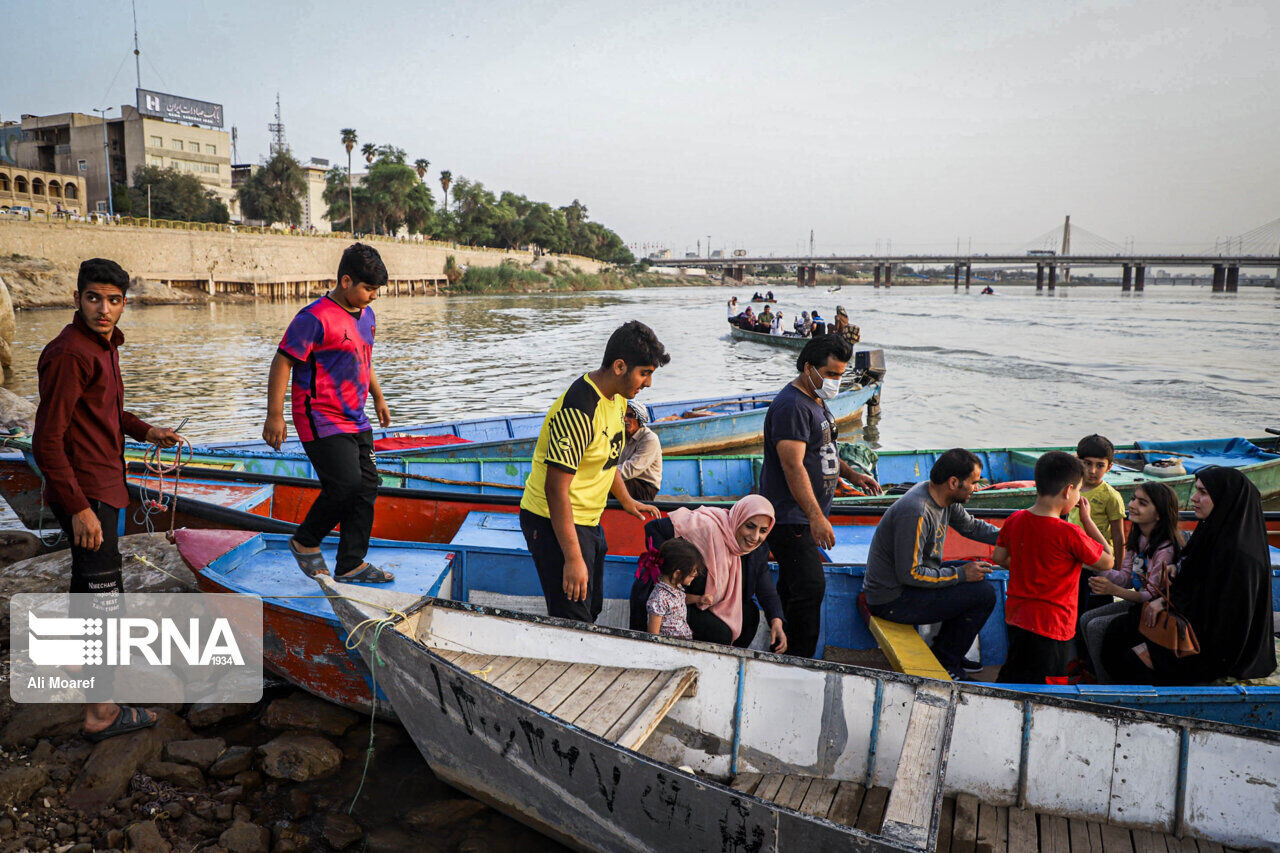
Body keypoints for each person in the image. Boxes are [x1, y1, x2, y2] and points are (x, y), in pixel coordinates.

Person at [33, 257, 182, 741]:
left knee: (87, 582)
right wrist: (78, 507)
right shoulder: (71, 353)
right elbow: (46, 441)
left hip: (102, 485)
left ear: (123, 304)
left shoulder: (102, 346)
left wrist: (146, 430)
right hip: (88, 491)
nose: (104, 309)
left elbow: (106, 411)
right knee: (103, 596)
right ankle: (101, 711)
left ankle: (82, 669)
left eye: (114, 300)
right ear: (77, 298)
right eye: (94, 298)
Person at [520, 321, 666, 623]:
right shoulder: (579, 409)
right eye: (644, 373)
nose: (648, 383)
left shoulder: (618, 400)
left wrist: (626, 500)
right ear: (619, 366)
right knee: (573, 618)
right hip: (553, 521)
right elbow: (555, 490)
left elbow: (608, 459)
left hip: (588, 520)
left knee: (592, 606)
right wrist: (572, 557)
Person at [264, 243, 394, 583]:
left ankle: (351, 564)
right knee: (345, 484)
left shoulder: (367, 315)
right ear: (346, 281)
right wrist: (274, 415)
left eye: (377, 290)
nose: (374, 296)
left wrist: (378, 398)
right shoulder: (314, 318)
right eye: (368, 289)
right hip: (319, 416)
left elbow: (364, 359)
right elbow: (282, 362)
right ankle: (305, 541)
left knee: (367, 487)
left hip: (356, 416)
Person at [759, 335, 882, 658]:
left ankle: (783, 652)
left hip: (804, 516)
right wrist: (816, 516)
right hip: (791, 517)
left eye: (840, 375)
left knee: (793, 586)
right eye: (830, 374)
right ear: (809, 368)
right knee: (811, 588)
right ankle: (800, 661)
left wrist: (852, 474)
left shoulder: (815, 400)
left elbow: (824, 446)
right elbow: (792, 465)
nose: (835, 382)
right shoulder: (792, 406)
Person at [1100, 467, 1276, 685]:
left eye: (1203, 492)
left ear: (1224, 499)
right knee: (1117, 631)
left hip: (1211, 646)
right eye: (1196, 490)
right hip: (1188, 620)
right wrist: (1175, 573)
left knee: (1131, 658)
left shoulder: (1239, 556)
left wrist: (1168, 602)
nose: (1194, 498)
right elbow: (1194, 579)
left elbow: (1223, 618)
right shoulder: (1209, 532)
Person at [863, 449, 1002, 679]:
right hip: (891, 599)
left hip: (910, 586)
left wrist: (1013, 536)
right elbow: (911, 574)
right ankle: (947, 661)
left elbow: (972, 527)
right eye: (974, 483)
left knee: (978, 574)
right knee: (982, 594)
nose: (976, 489)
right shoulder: (917, 511)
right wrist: (960, 575)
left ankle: (948, 651)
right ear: (954, 482)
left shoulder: (944, 497)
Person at [993, 451, 1114, 684]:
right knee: (1049, 686)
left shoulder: (1015, 519)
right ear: (1068, 491)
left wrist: (1028, 566)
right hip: (1053, 625)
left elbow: (1000, 556)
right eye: (1078, 490)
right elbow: (1108, 561)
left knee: (1015, 672)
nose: (1078, 496)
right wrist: (1087, 521)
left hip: (1017, 616)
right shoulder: (1070, 533)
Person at [629, 495, 787, 652]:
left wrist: (776, 622)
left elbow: (766, 589)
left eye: (763, 530)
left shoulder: (757, 550)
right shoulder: (706, 526)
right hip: (673, 602)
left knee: (749, 615)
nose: (755, 537)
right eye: (750, 526)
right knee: (721, 634)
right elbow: (653, 528)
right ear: (738, 518)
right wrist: (673, 567)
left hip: (706, 602)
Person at [1078, 482, 1182, 682]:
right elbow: (1126, 577)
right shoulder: (1138, 539)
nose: (1132, 505)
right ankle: (1095, 675)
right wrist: (1095, 566)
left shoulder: (1165, 549)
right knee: (1086, 619)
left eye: (1142, 503)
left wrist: (1113, 589)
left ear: (1159, 514)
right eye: (1134, 499)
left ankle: (1107, 684)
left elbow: (1150, 594)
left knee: (1097, 626)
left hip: (1157, 610)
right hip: (1138, 603)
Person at [1067, 435, 1127, 625]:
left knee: (1095, 612)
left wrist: (1117, 570)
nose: (1092, 471)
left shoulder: (1111, 496)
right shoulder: (1070, 489)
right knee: (1073, 610)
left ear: (1109, 467)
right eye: (1087, 463)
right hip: (1074, 560)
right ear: (1078, 462)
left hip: (1098, 563)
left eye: (1099, 465)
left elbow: (1118, 535)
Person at [644, 538, 707, 639]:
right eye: (692, 575)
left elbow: (680, 600)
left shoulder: (676, 588)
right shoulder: (659, 598)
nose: (694, 577)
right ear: (677, 574)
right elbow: (653, 634)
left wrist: (699, 599)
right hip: (669, 649)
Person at [618, 399, 662, 501]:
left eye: (630, 415)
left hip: (645, 487)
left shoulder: (649, 439)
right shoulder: (622, 435)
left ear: (640, 419)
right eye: (623, 415)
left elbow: (631, 469)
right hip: (626, 480)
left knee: (607, 486)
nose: (625, 419)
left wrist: (604, 475)